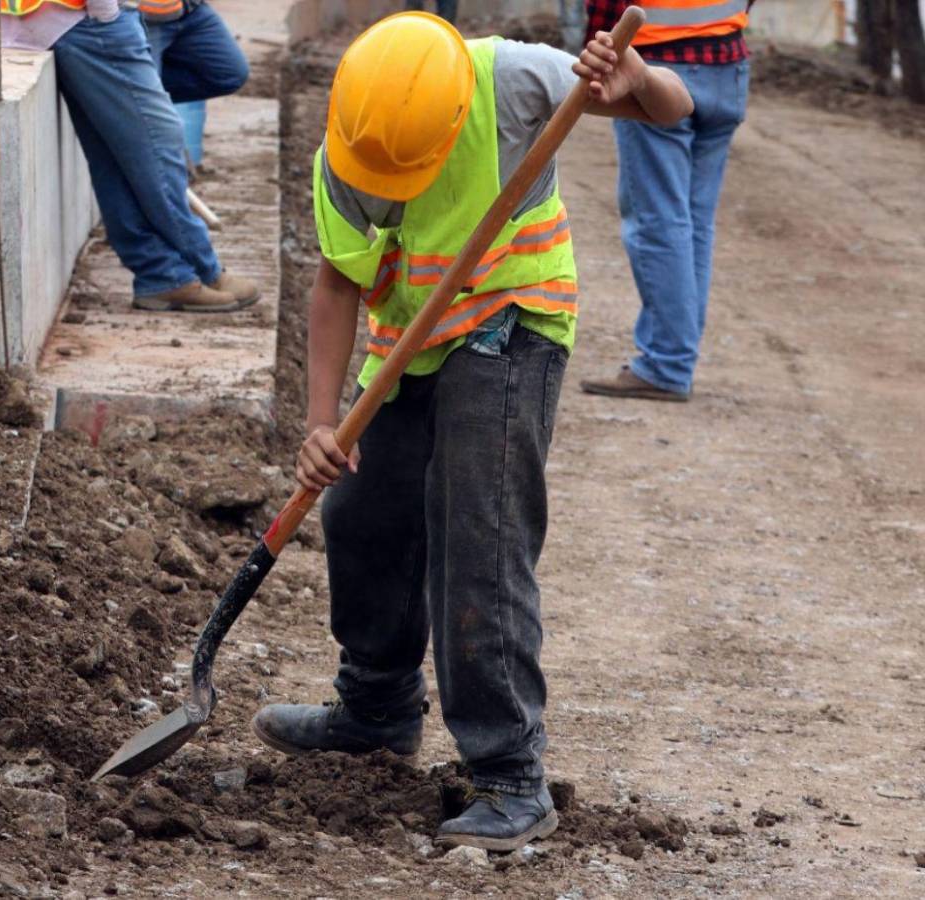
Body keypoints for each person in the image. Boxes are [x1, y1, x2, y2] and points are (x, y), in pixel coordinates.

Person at [250, 13, 691, 850]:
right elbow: (339, 285)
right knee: (362, 511)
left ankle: (510, 775)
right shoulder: (349, 147)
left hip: (512, 323)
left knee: (477, 537)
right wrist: (319, 424)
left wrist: (636, 78)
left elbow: (671, 110)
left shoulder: (513, 79)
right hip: (410, 342)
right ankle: (377, 709)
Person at [0, 0, 259, 313]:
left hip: (57, 19)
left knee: (112, 159)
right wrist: (108, 13)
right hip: (88, 19)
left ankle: (162, 275)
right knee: (158, 145)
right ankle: (201, 267)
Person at [579, 0, 752, 401]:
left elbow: (608, 6)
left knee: (658, 222)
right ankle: (676, 357)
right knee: (694, 222)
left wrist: (599, 57)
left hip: (656, 70)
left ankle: (667, 364)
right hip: (729, 63)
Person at [139, 1, 250, 176]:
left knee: (230, 74)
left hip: (189, 8)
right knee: (148, 118)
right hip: (145, 17)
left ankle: (141, 94)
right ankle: (141, 98)